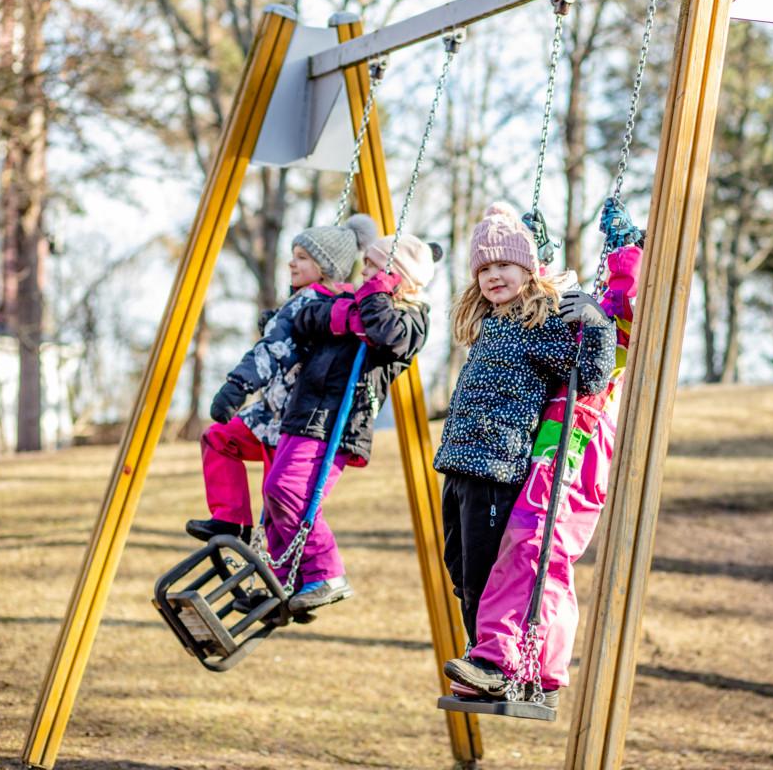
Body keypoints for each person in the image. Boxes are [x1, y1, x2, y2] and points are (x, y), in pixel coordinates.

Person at [442, 198, 645, 708]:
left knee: (495, 570)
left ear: (529, 270)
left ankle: (499, 661)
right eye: (484, 268)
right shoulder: (489, 324)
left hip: (500, 464)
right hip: (459, 463)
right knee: (460, 568)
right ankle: (486, 657)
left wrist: (596, 323)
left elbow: (592, 372)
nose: (493, 276)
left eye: (504, 265)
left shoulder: (539, 323)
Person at [261, 232, 439, 617]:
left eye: (377, 268)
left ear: (401, 278)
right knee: (274, 498)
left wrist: (372, 299)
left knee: (289, 492)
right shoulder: (354, 302)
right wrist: (348, 315)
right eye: (368, 267)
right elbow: (310, 317)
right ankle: (282, 581)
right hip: (303, 411)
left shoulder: (412, 319)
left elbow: (385, 334)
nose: (367, 273)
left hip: (338, 421)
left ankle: (326, 572)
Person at [186, 214, 378, 544]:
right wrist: (276, 319)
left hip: (292, 420)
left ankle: (269, 561)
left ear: (326, 267)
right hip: (272, 413)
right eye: (293, 255)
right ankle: (232, 521)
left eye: (302, 258)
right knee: (219, 439)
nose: (291, 263)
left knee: (276, 503)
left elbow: (273, 349)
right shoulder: (333, 302)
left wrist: (237, 387)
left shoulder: (311, 301)